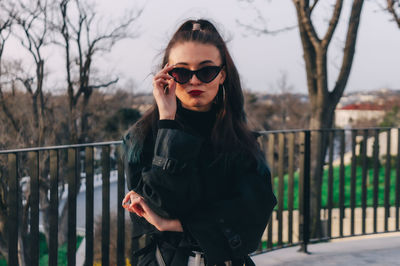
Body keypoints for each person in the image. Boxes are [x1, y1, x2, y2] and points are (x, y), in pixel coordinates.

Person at [122, 19, 276, 266]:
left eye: (206, 71)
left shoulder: (241, 139)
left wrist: (173, 224)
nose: (194, 81)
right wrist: (168, 124)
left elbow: (251, 220)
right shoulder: (142, 136)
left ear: (222, 75)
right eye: (181, 72)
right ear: (166, 76)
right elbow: (147, 216)